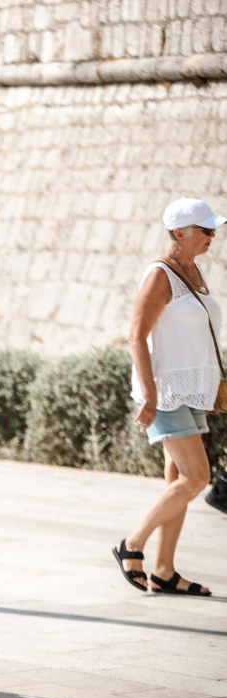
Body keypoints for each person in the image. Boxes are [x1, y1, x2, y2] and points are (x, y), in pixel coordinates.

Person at [115, 197, 225, 597]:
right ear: (179, 233)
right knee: (198, 477)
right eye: (205, 229)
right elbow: (136, 335)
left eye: (214, 229)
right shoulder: (161, 274)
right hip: (165, 393)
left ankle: (163, 570)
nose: (213, 235)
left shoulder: (192, 271)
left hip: (190, 391)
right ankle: (132, 544)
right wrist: (148, 394)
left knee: (178, 478)